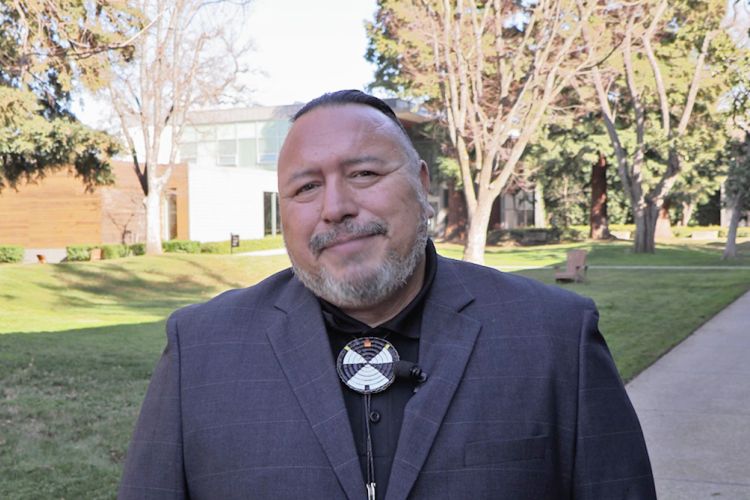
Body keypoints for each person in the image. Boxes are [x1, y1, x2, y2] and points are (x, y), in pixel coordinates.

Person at [119, 90, 656, 500]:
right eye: (306, 187)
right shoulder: (200, 351)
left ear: (422, 187)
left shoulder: (555, 338)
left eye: (364, 173)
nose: (335, 207)